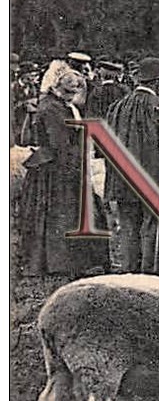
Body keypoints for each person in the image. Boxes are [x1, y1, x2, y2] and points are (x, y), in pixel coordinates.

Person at [17, 60, 98, 278]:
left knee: (58, 215)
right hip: (54, 167)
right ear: (57, 87)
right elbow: (59, 142)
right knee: (58, 214)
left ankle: (57, 261)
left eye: (73, 92)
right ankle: (56, 262)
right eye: (68, 91)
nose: (72, 96)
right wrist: (74, 164)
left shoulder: (56, 105)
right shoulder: (52, 108)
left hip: (56, 163)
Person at [103, 56, 159, 275]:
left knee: (128, 229)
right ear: (158, 82)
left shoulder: (117, 107)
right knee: (152, 230)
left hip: (122, 178)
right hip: (153, 180)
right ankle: (150, 276)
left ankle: (129, 274)